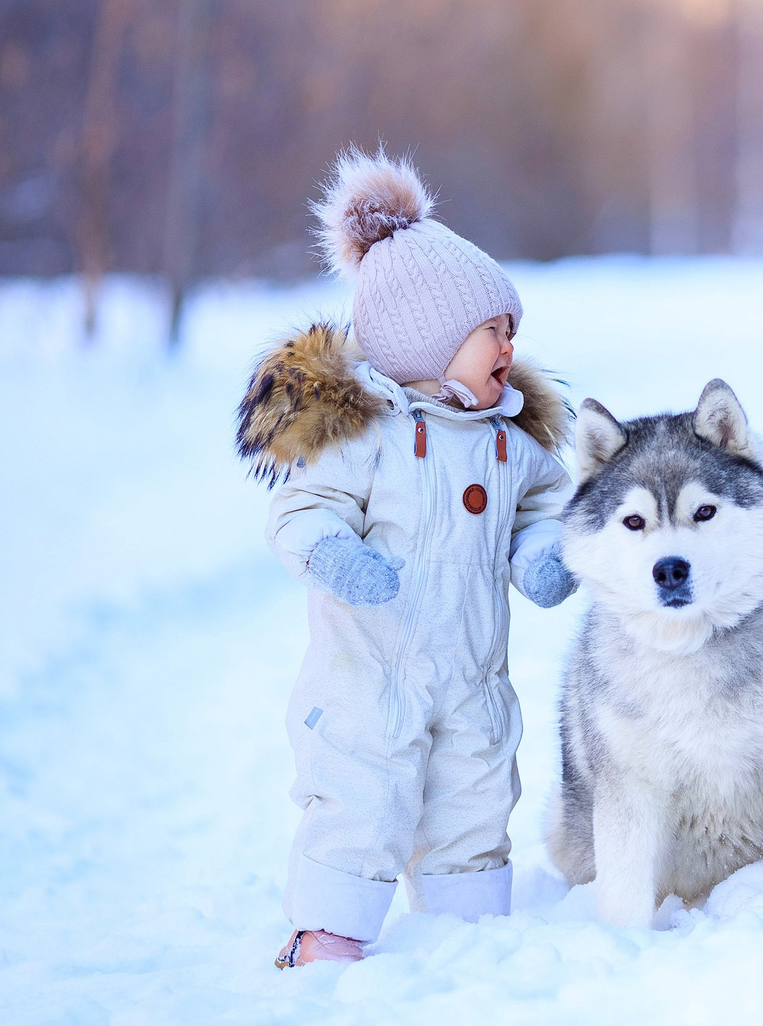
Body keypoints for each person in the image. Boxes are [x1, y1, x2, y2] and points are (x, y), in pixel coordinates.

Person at [233, 150, 577, 968]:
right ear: (429, 337)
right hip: (368, 675)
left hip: (471, 672)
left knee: (475, 795)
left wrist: (542, 555)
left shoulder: (508, 441)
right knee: (359, 797)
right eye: (492, 330)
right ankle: (328, 932)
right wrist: (334, 555)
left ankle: (466, 932)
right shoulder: (365, 434)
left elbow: (551, 507)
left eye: (511, 331)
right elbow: (299, 510)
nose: (508, 345)